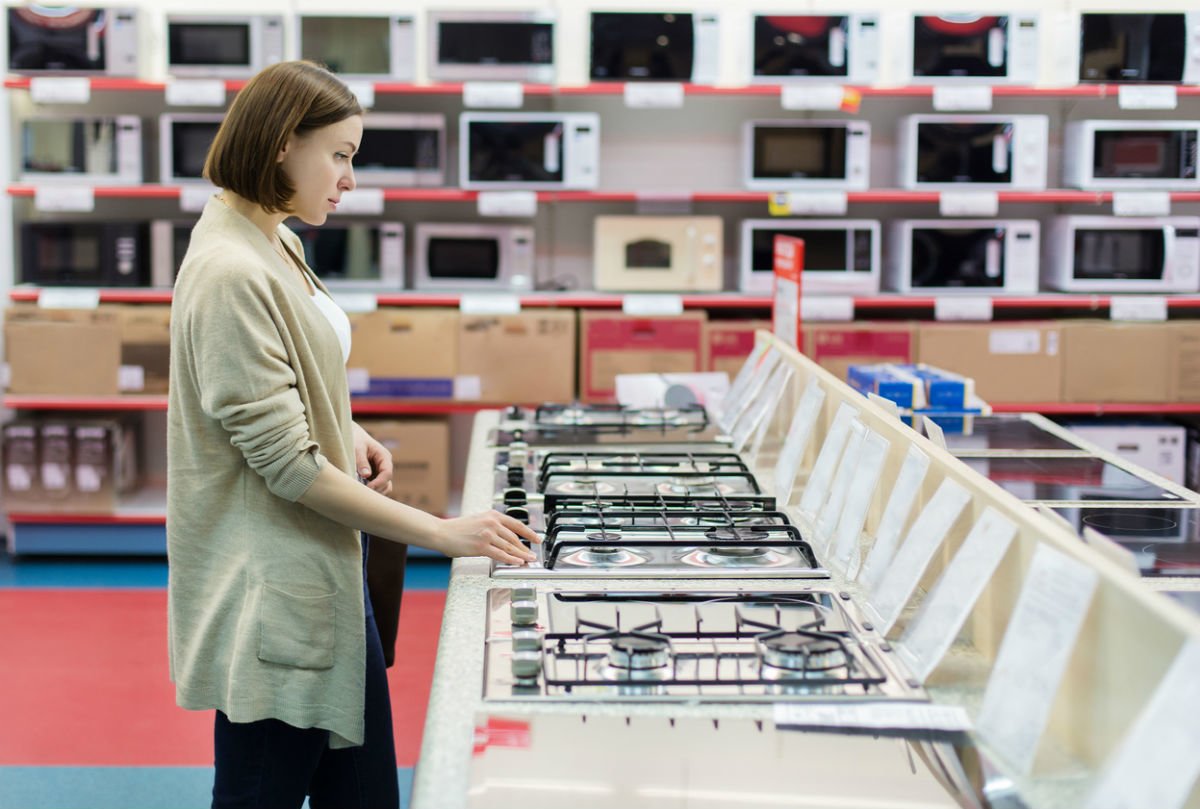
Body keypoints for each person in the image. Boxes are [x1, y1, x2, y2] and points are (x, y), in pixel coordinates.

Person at [165, 60, 540, 809]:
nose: (349, 178)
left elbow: (294, 388)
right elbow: (292, 468)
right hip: (278, 601)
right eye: (338, 154)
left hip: (328, 578)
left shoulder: (275, 240)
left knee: (366, 796)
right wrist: (444, 532)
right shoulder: (233, 271)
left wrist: (350, 428)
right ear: (280, 144)